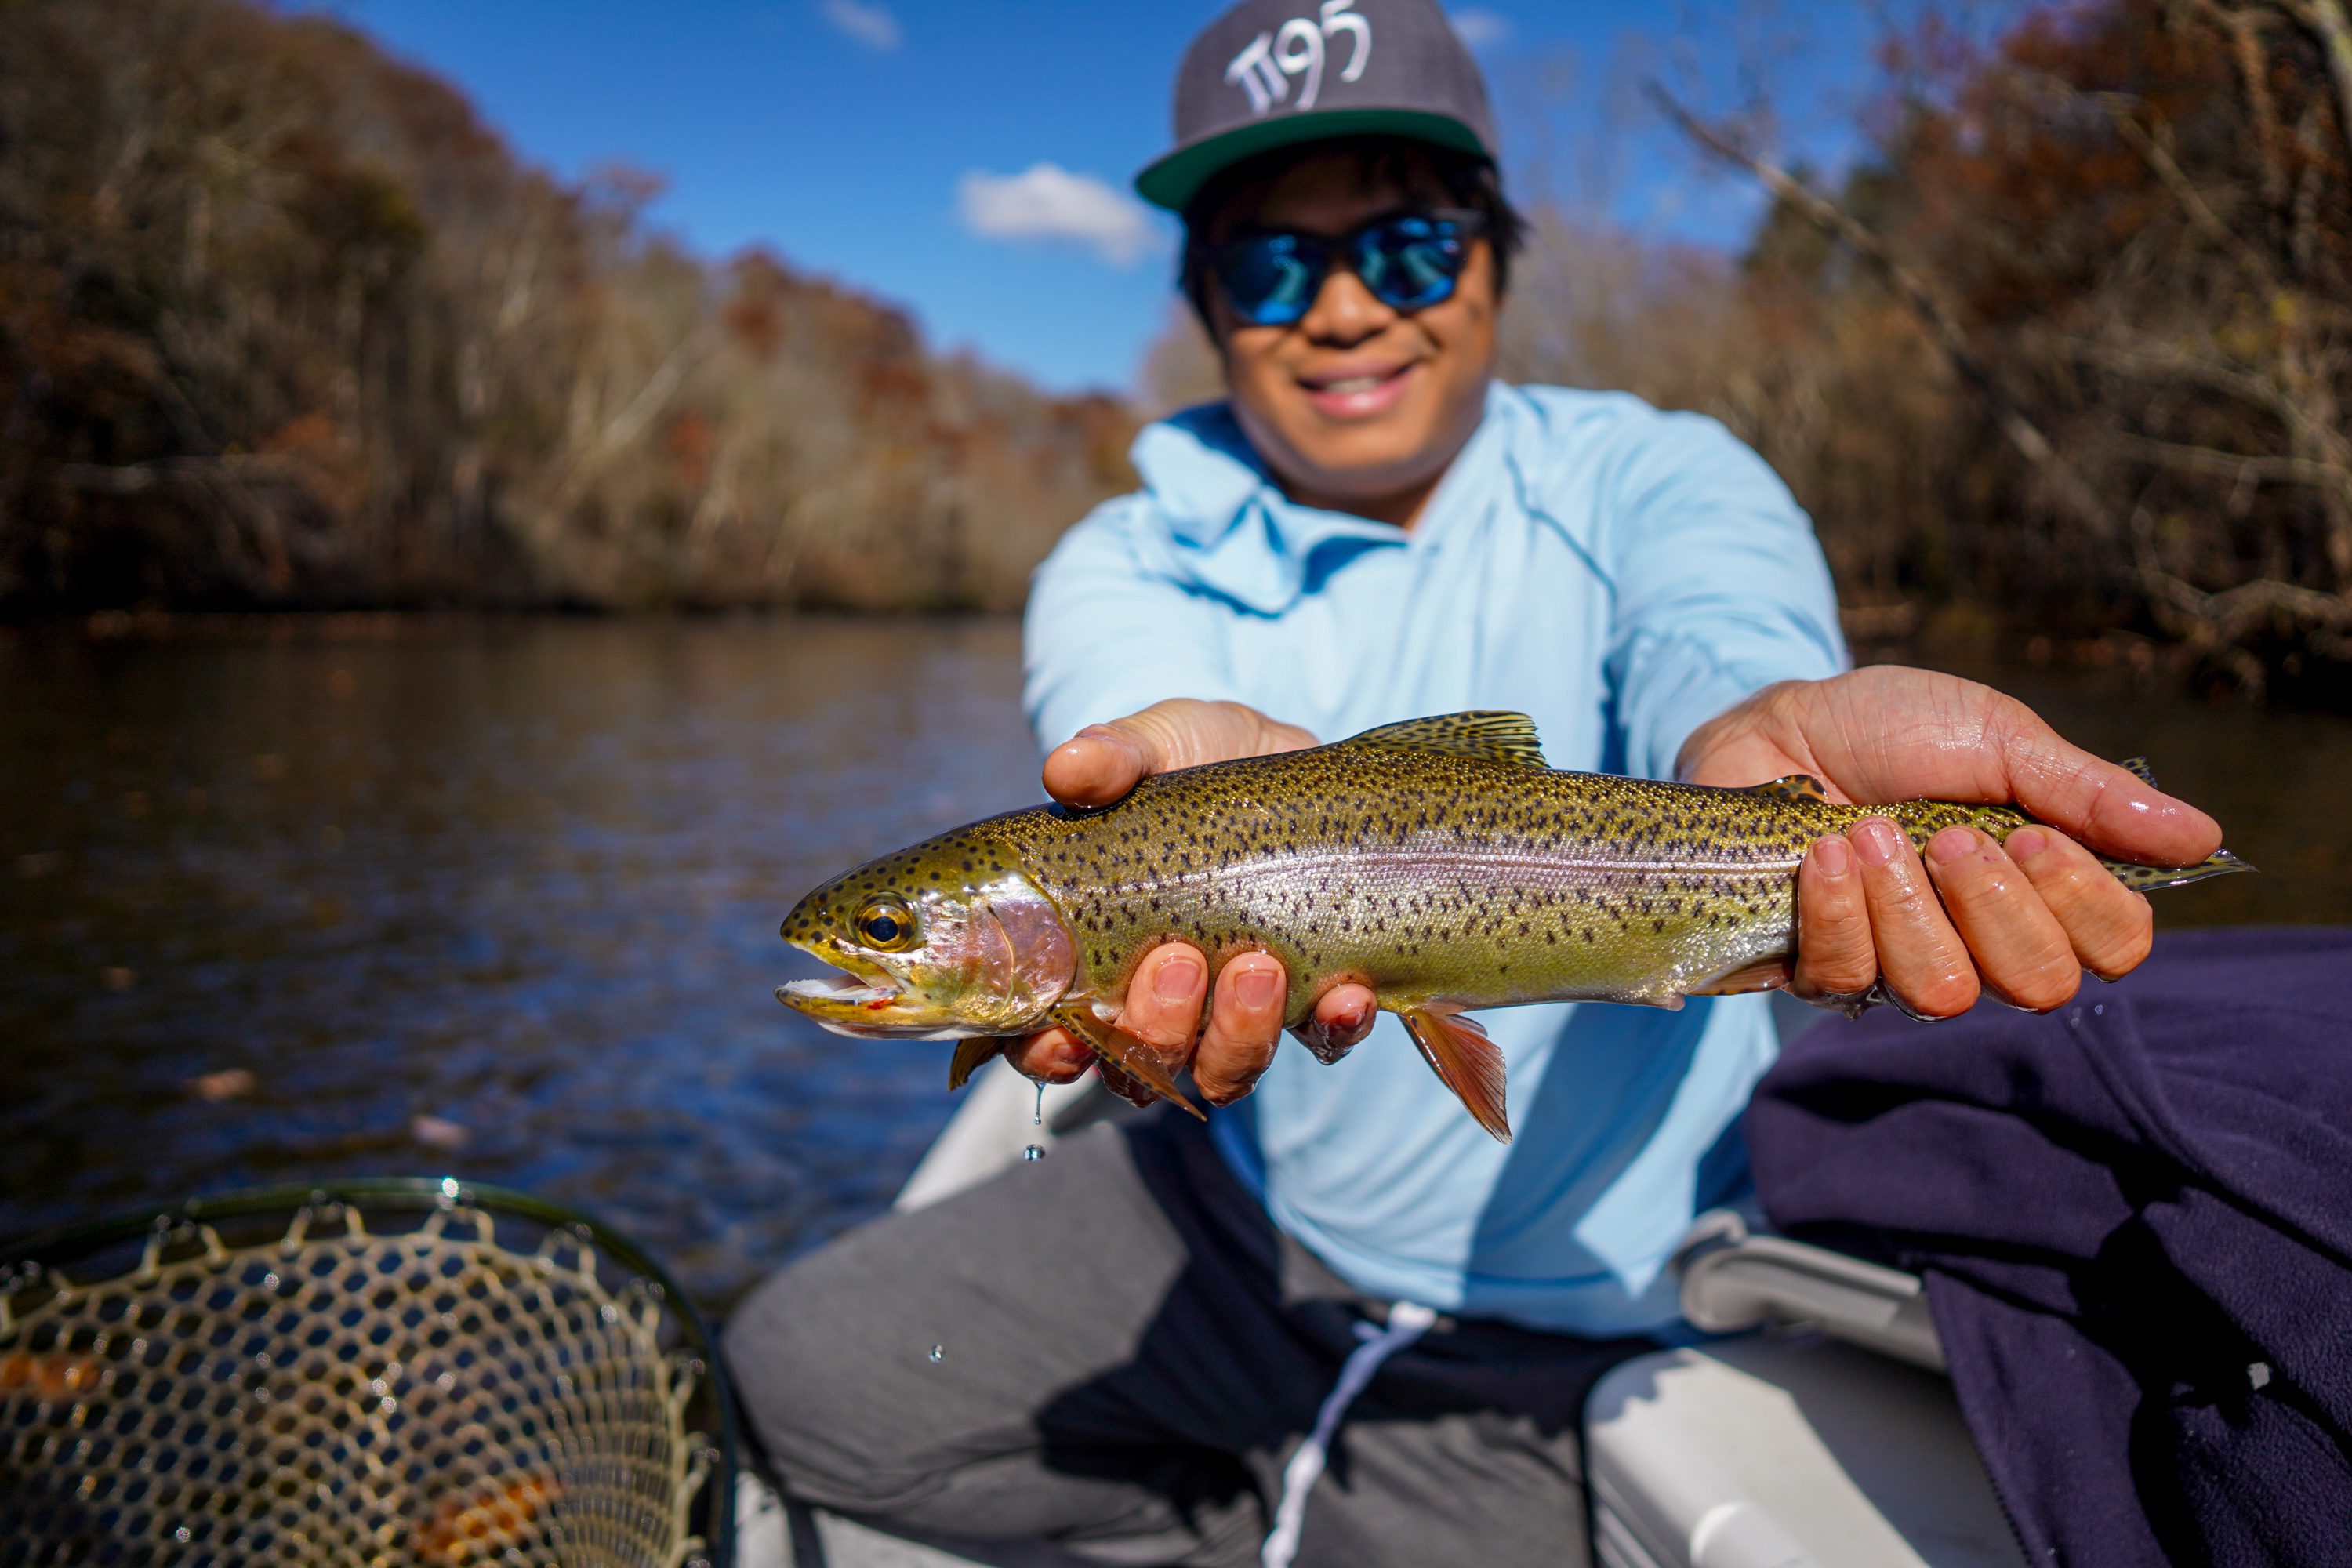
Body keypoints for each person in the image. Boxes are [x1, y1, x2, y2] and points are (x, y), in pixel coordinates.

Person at [725, 3, 2224, 1564]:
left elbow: (1731, 664)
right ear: (1209, 303)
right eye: (1272, 263)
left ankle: (1278, 1501)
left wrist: (1768, 739)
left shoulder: (1663, 476)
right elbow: (1118, 740)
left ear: (1496, 259)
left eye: (1412, 245)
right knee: (793, 1374)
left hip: (1605, 1314)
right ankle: (1267, 1499)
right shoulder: (1129, 548)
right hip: (1242, 1234)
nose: (1349, 307)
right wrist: (1171, 779)